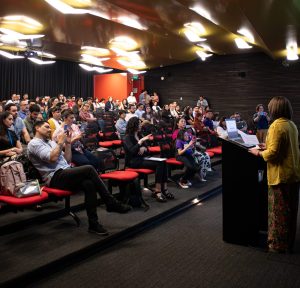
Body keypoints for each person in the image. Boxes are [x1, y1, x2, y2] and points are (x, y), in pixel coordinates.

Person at [28, 121, 131, 235]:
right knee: (89, 168)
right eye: (46, 127)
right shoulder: (34, 143)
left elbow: (67, 161)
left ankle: (93, 224)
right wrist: (60, 142)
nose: (49, 129)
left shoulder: (51, 143)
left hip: (65, 172)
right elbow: (52, 158)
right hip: (54, 178)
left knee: (89, 184)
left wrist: (67, 144)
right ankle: (110, 202)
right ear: (37, 128)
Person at [249, 96, 300, 253]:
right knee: (290, 210)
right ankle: (288, 241)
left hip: (280, 176)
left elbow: (273, 154)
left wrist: (258, 152)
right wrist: (267, 145)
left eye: (270, 107)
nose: (269, 110)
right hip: (293, 173)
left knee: (279, 212)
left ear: (275, 109)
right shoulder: (291, 124)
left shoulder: (276, 126)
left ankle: (277, 245)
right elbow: (284, 146)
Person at [123, 117, 174, 202]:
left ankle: (164, 189)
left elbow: (148, 149)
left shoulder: (139, 135)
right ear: (134, 125)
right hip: (133, 162)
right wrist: (141, 142)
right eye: (139, 124)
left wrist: (144, 148)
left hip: (143, 158)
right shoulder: (127, 137)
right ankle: (158, 191)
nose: (140, 125)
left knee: (163, 161)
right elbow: (132, 152)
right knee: (159, 163)